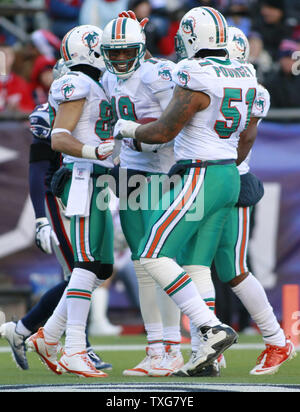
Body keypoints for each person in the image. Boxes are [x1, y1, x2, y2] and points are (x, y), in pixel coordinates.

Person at [114, 6, 247, 376]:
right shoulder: (246, 71)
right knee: (196, 265)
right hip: (228, 171)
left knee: (152, 254)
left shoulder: (192, 71)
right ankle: (208, 355)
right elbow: (247, 134)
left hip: (200, 173)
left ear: (192, 36)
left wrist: (128, 131)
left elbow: (163, 131)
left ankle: (210, 328)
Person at [177, 26, 296, 377]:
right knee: (201, 265)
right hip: (222, 176)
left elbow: (241, 140)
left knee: (228, 267)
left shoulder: (209, 80)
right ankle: (208, 346)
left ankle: (276, 340)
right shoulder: (252, 88)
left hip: (224, 178)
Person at [0, 59, 112, 372]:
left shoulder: (90, 102)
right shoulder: (50, 112)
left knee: (92, 271)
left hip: (84, 190)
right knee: (82, 270)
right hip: (60, 194)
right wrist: (40, 217)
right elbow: (38, 169)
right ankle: (76, 346)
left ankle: (25, 331)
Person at [26, 25, 115, 378]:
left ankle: (47, 336)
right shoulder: (74, 83)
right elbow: (60, 139)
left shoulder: (100, 83)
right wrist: (93, 151)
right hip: (82, 177)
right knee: (86, 264)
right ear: (92, 50)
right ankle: (73, 346)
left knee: (100, 267)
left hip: (100, 178)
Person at [100, 13, 184, 377]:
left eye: (125, 52)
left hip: (164, 171)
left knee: (162, 259)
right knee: (140, 263)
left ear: (141, 48)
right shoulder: (106, 76)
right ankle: (155, 348)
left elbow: (177, 124)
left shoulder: (159, 73)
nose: (119, 60)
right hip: (131, 170)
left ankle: (174, 345)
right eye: (113, 53)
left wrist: (140, 135)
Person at [0, 44, 35, 113]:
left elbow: (30, 109)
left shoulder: (21, 84)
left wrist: (18, 108)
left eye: (7, 55)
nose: (4, 58)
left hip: (15, 122)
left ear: (13, 58)